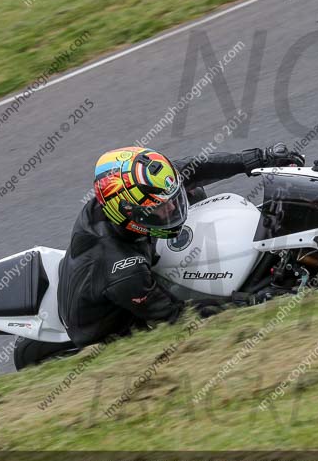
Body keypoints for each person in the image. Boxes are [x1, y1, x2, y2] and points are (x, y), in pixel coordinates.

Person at [57, 143, 304, 348]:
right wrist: (248, 302)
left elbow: (196, 169)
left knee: (192, 191)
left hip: (134, 259)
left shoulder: (135, 196)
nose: (174, 208)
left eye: (172, 200)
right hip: (112, 326)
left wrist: (257, 159)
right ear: (130, 213)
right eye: (161, 208)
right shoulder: (123, 269)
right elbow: (176, 315)